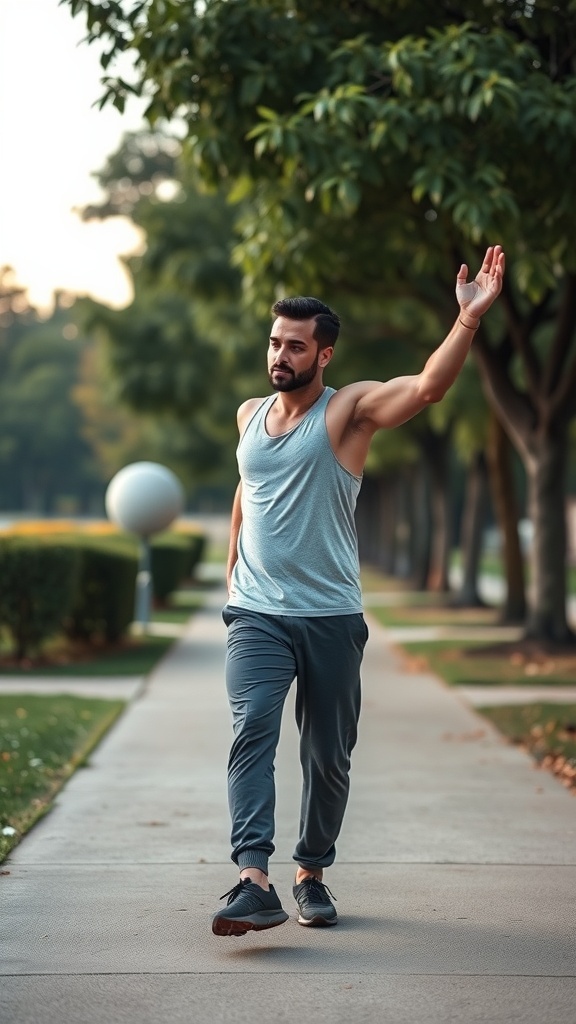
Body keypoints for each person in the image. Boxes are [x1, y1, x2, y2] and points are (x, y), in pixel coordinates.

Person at [211, 245, 506, 937]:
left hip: (330, 615)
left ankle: (310, 870)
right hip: (256, 612)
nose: (280, 355)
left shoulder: (350, 413)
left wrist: (466, 322)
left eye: (295, 346)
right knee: (251, 728)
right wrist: (232, 573)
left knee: (327, 756)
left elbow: (429, 387)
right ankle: (252, 876)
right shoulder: (249, 414)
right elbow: (246, 490)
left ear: (325, 356)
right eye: (275, 342)